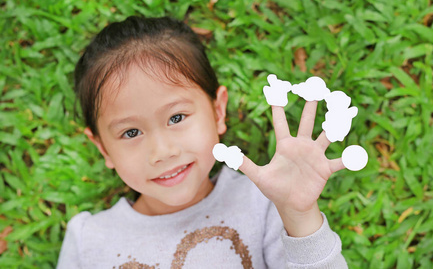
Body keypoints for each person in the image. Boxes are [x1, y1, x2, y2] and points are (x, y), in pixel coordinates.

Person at [57, 16, 348, 268]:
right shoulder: (88, 241)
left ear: (218, 111)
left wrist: (300, 217)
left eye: (176, 117)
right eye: (131, 133)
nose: (162, 152)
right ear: (103, 148)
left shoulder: (264, 203)